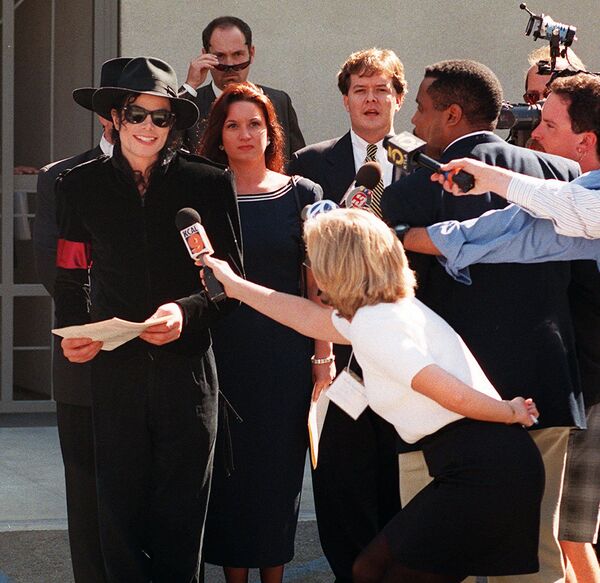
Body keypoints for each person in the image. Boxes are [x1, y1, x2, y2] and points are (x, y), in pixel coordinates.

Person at [202, 208, 544, 583]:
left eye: (313, 258)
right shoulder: (380, 313)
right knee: (370, 569)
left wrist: (508, 411)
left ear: (337, 265)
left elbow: (446, 391)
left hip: (485, 470)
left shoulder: (377, 323)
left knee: (378, 572)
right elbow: (305, 316)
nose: (310, 268)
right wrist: (234, 285)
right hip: (479, 464)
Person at [381, 59, 585, 583]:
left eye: (422, 110)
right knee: (538, 554)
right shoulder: (563, 175)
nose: (416, 123)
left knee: (447, 557)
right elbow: (583, 291)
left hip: (452, 397)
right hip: (546, 382)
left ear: (451, 115)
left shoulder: (412, 190)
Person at [53, 56, 243, 583]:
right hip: (114, 374)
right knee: (117, 519)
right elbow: (69, 276)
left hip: (187, 375)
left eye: (161, 118)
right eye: (137, 115)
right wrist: (75, 333)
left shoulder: (206, 183)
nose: (148, 128)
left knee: (182, 519)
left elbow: (229, 282)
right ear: (115, 117)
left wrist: (185, 311)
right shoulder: (80, 185)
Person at [196, 81, 332, 583]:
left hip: (286, 356)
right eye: (233, 125)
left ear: (270, 130)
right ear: (219, 134)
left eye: (255, 123)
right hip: (221, 354)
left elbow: (315, 282)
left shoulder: (303, 194)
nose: (245, 133)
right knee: (230, 478)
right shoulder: (202, 194)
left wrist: (323, 356)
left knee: (278, 476)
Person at [287, 47, 406, 582]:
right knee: (342, 476)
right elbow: (302, 259)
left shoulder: (424, 161)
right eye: (361, 89)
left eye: (382, 89)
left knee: (400, 474)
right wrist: (322, 354)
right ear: (345, 100)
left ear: (399, 98)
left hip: (407, 346)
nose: (372, 99)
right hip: (339, 343)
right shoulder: (313, 164)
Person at [33, 56, 130, 583]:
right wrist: (107, 328)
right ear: (105, 116)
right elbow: (52, 268)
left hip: (159, 358)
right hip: (84, 363)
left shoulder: (179, 177)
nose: (136, 122)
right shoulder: (60, 178)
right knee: (89, 499)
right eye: (125, 110)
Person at [181, 16, 305, 161]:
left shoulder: (278, 101)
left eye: (237, 54)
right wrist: (190, 86)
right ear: (205, 56)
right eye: (220, 56)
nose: (230, 65)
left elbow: (299, 163)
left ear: (251, 53)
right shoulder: (190, 105)